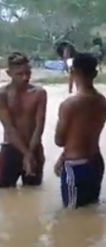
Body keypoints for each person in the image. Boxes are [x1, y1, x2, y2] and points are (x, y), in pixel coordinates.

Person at [54, 53, 106, 209]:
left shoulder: (69, 104)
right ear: (95, 74)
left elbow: (59, 141)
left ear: (73, 72)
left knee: (72, 214)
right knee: (90, 208)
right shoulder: (102, 101)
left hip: (75, 166)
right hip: (96, 162)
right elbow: (84, 134)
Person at [0, 52, 47, 188]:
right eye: (20, 74)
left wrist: (31, 153)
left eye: (28, 73)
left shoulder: (39, 93)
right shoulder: (0, 94)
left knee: (34, 194)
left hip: (34, 147)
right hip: (11, 148)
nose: (25, 78)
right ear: (9, 73)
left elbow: (39, 126)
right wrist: (27, 155)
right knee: (5, 194)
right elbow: (9, 128)